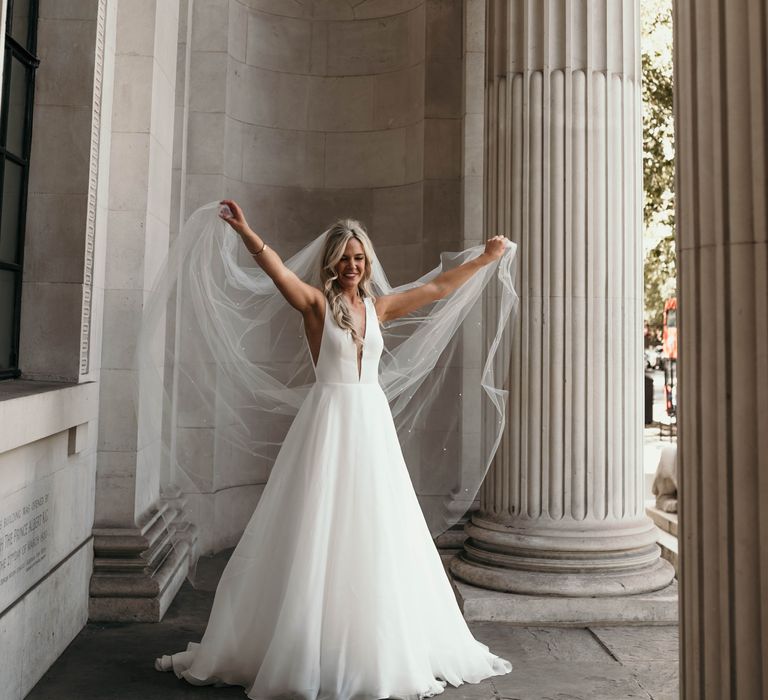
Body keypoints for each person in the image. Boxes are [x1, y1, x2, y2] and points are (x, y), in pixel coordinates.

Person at [152, 199, 515, 699]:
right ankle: (304, 644)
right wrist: (246, 232)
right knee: (317, 527)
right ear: (331, 263)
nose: (352, 266)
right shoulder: (316, 305)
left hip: (371, 427)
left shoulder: (377, 307)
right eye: (344, 258)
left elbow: (433, 290)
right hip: (327, 424)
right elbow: (276, 270)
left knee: (376, 528)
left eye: (359, 259)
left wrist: (484, 260)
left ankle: (375, 643)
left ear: (367, 264)